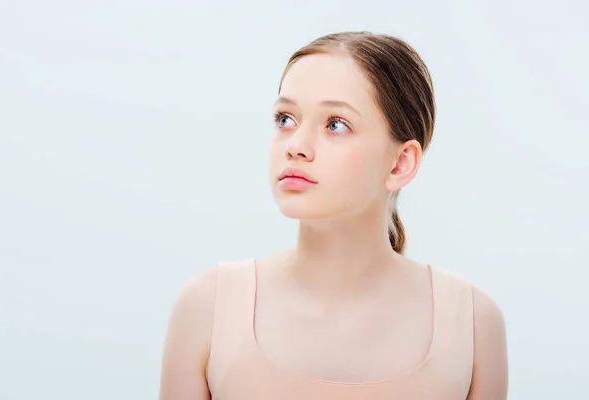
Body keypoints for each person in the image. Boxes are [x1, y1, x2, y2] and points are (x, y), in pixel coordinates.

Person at [158, 31, 508, 400]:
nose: (295, 146)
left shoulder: (472, 324)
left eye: (335, 124)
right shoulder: (207, 310)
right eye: (285, 119)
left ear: (401, 163)